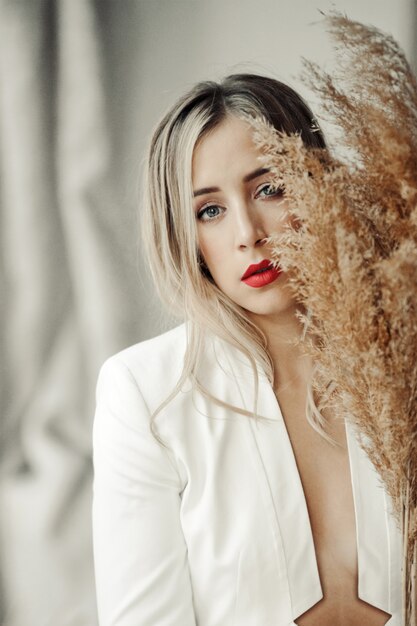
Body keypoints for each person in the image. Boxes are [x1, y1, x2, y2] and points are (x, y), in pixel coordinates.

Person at [92, 74, 402, 626]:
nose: (248, 233)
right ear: (185, 237)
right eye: (209, 210)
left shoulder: (401, 367)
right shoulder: (147, 392)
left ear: (316, 184)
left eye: (269, 189)